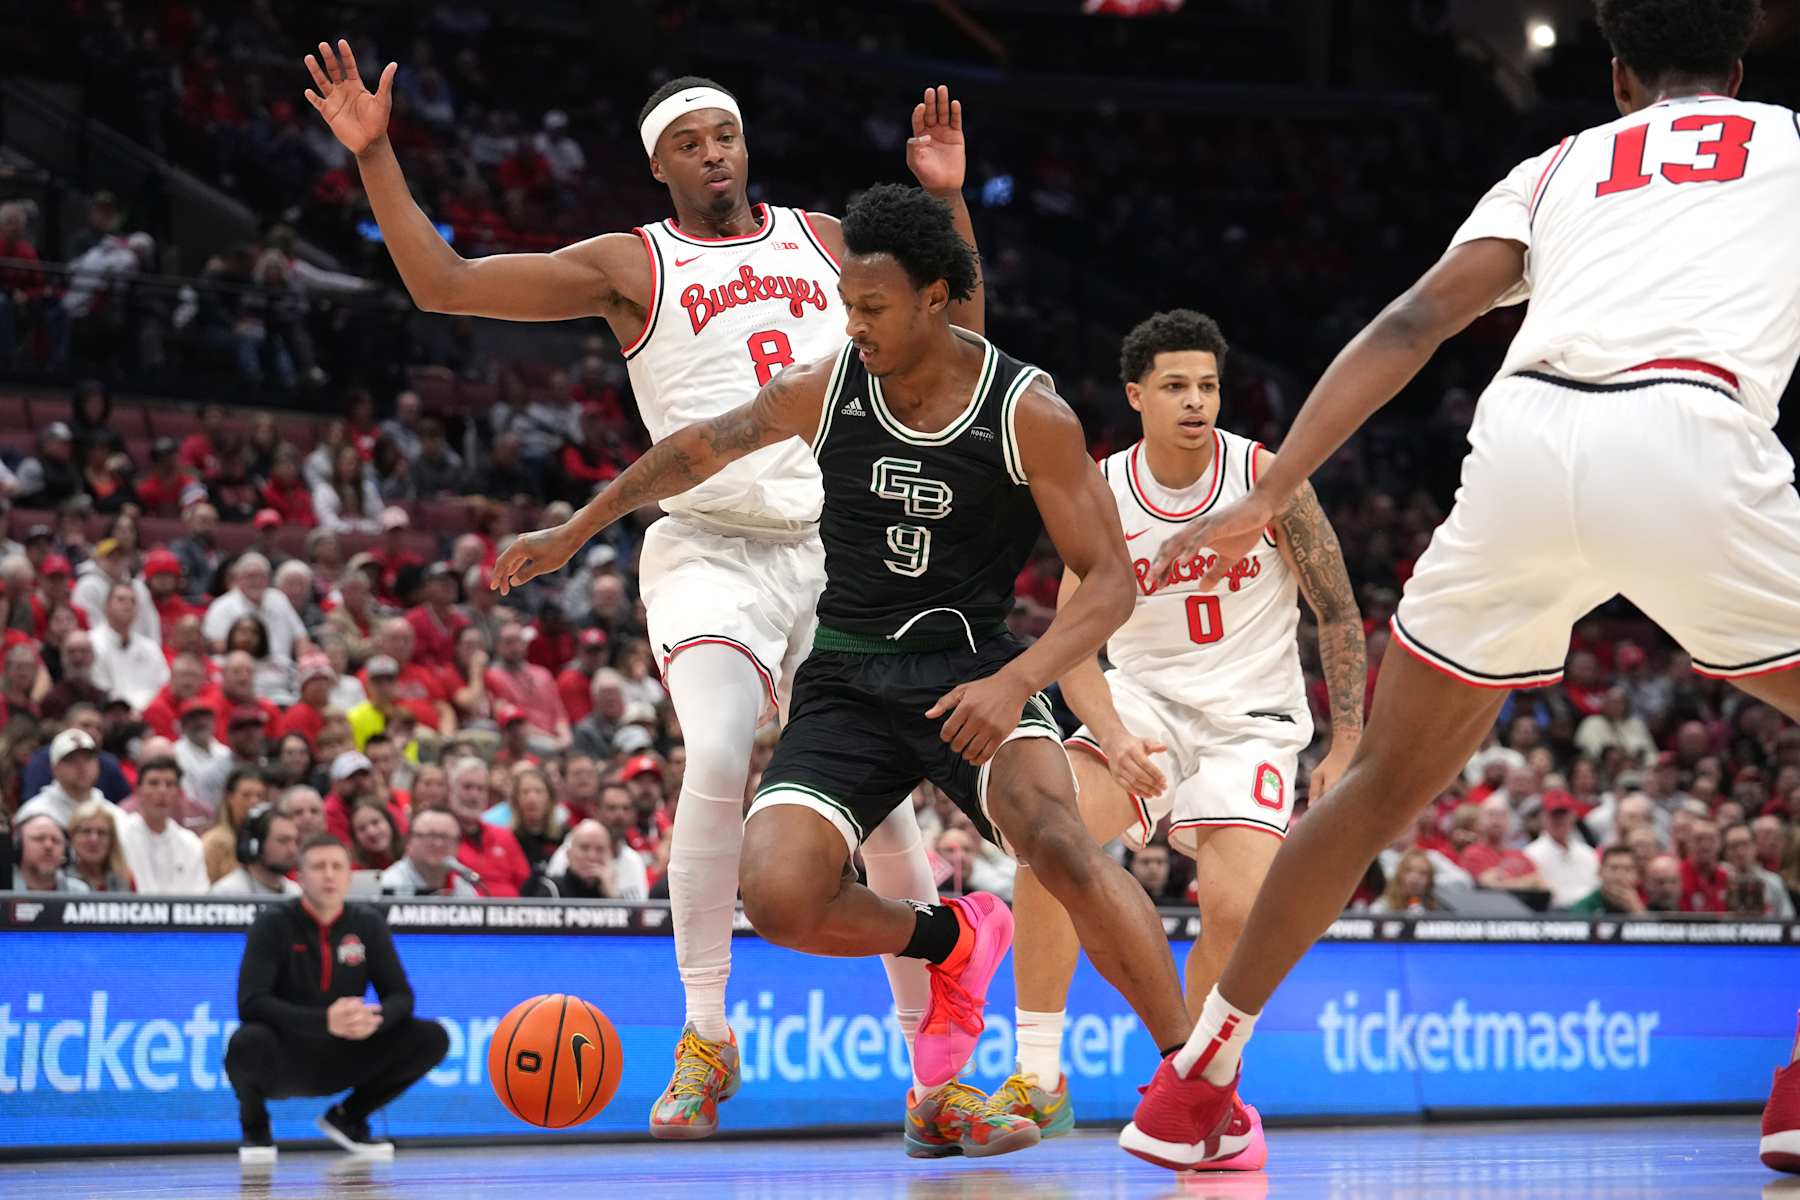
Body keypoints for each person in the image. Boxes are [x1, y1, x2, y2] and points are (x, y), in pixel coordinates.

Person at [1110, 1, 1800, 1167]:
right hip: (1694, 428)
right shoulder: (1784, 140)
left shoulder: (1559, 164)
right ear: (1737, 69)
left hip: (1528, 439)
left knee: (1377, 782)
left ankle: (1195, 1085)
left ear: (1621, 78)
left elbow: (1416, 318)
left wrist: (1268, 493)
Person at [311, 42, 976, 1142]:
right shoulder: (632, 263)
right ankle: (706, 1032)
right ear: (658, 168)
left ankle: (933, 1077)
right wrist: (377, 158)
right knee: (717, 751)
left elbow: (952, 326)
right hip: (710, 543)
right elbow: (445, 286)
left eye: (724, 136)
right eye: (688, 144)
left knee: (890, 809)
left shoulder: (823, 238)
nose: (714, 154)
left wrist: (946, 206)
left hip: (841, 553)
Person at [495, 182, 1198, 1158]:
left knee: (1059, 841)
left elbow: (1109, 583)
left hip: (972, 667)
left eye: (871, 307)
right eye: (848, 303)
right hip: (850, 676)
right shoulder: (828, 385)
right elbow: (696, 449)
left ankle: (1192, 1078)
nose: (851, 322)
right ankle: (948, 938)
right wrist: (577, 528)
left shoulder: (1028, 409)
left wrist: (1017, 678)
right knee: (779, 895)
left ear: (937, 301)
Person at [999, 309, 1364, 1143]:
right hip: (1145, 703)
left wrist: (1345, 743)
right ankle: (1037, 1075)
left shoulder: (1267, 477)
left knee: (1236, 911)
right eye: (1175, 387)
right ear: (1137, 395)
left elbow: (1338, 612)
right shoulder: (1103, 490)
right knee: (1046, 835)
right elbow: (1072, 642)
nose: (1196, 401)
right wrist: (1115, 737)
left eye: (1207, 385)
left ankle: (1202, 1088)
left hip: (1252, 715)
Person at [226, 833, 450, 1161]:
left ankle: (349, 1118)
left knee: (431, 1037)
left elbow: (401, 996)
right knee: (245, 1042)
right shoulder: (272, 924)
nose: (329, 875)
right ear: (299, 876)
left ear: (349, 875)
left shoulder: (367, 923)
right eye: (318, 867)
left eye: (337, 866)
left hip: (348, 1050)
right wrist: (324, 1021)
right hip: (287, 1055)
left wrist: (374, 1019)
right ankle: (255, 1129)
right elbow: (251, 1003)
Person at [118, 757, 210, 893]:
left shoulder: (191, 843)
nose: (162, 791)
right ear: (138, 791)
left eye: (169, 784)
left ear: (179, 793)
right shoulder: (119, 834)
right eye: (153, 783)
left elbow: (199, 895)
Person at [91, 582, 171, 712]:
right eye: (121, 600)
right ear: (107, 606)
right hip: (114, 713)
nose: (127, 605)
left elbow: (164, 684)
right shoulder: (93, 643)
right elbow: (101, 688)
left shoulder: (150, 647)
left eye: (133, 601)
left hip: (153, 711)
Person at [15, 728, 116, 830]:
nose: (81, 766)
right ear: (54, 769)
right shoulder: (34, 813)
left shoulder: (115, 815)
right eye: (71, 760)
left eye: (87, 758)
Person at [379, 807, 477, 897]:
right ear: (409, 841)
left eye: (446, 837)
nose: (438, 843)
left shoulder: (464, 890)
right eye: (430, 835)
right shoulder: (387, 888)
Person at [210, 806, 302, 896]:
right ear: (255, 845)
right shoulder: (227, 894)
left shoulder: (296, 892)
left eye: (296, 841)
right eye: (283, 841)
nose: (293, 850)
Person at [201, 765, 271, 881]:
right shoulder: (214, 843)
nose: (254, 801)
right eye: (246, 795)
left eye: (260, 796)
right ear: (230, 798)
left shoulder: (270, 842)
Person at [67, 798, 134, 892]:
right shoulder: (60, 880)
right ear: (72, 837)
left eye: (101, 832)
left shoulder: (125, 879)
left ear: (112, 840)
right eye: (86, 831)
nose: (94, 839)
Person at [14, 813, 87, 892]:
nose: (48, 846)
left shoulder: (79, 892)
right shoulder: (4, 888)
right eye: (39, 839)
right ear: (19, 845)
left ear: (66, 851)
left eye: (56, 840)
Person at [1569, 845, 1649, 915]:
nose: (1620, 875)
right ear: (1600, 872)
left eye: (1627, 869)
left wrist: (1637, 910)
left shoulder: (1649, 901)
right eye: (1613, 868)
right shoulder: (1584, 907)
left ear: (1637, 875)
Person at [552, 818, 614, 899]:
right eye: (584, 848)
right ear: (569, 854)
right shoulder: (552, 890)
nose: (592, 856)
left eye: (600, 849)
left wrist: (612, 896)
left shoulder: (612, 891)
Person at [349, 800, 401, 870]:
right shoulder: (355, 870)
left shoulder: (411, 856)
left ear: (389, 822)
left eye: (375, 822)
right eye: (362, 828)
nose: (371, 832)